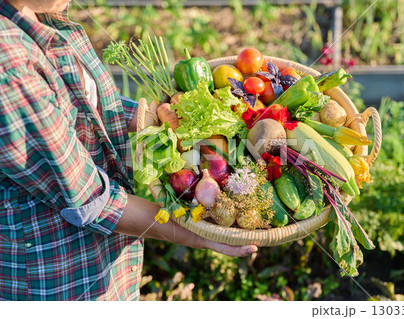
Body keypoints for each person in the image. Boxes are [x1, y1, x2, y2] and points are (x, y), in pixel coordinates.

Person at [0, 0, 257, 301]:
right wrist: (203, 234)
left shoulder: (43, 12)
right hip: (61, 280)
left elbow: (76, 106)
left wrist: (152, 117)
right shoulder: (9, 63)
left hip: (107, 266)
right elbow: (90, 198)